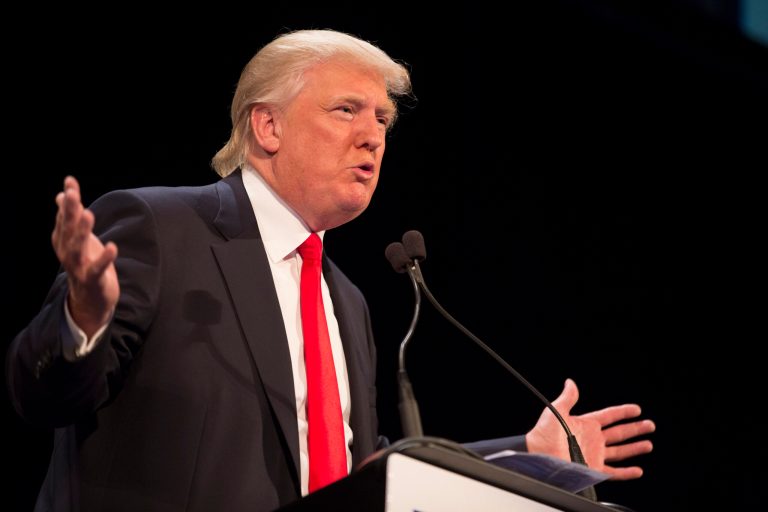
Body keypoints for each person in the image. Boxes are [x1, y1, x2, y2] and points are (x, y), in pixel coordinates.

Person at [6, 29, 655, 511]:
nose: (373, 136)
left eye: (382, 121)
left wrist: (526, 458)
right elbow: (42, 398)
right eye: (347, 110)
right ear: (268, 126)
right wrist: (82, 318)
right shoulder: (161, 228)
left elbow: (359, 478)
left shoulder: (346, 301)